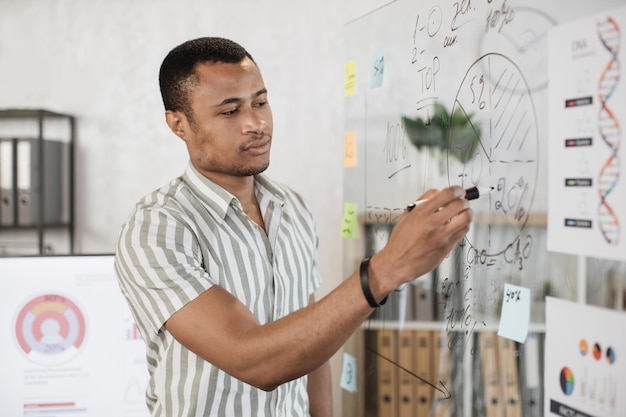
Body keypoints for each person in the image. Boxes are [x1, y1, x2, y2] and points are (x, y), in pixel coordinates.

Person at [114, 36, 473, 417]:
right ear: (178, 124)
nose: (256, 123)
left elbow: (313, 345)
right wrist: (385, 269)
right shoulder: (156, 228)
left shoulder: (293, 209)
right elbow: (252, 360)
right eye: (230, 111)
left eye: (260, 102)